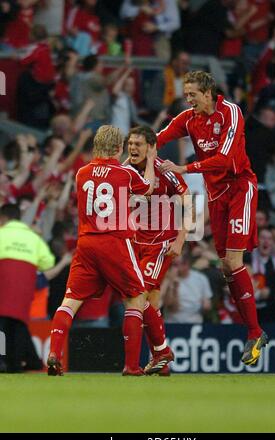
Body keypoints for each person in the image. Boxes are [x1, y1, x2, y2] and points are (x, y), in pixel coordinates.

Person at [158, 70, 268, 366]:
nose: (188, 99)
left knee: (234, 262)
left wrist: (183, 168)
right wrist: (132, 156)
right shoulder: (189, 119)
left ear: (208, 93)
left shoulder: (231, 112)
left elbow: (225, 160)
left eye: (192, 94)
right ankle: (253, 330)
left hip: (239, 188)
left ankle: (255, 333)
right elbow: (160, 138)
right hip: (216, 196)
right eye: (186, 94)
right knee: (225, 267)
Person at [47, 125, 173, 376]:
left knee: (69, 303)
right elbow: (147, 187)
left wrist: (119, 163)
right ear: (119, 148)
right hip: (115, 242)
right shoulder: (124, 175)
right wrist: (149, 159)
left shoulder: (81, 173)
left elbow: (108, 174)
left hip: (86, 244)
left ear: (95, 146)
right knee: (136, 298)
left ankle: (54, 353)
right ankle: (133, 365)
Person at [127, 125, 192, 375]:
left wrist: (180, 240)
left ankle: (162, 352)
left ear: (151, 147)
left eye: (138, 144)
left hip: (161, 243)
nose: (133, 148)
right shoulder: (127, 170)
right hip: (136, 243)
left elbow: (189, 202)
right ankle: (160, 361)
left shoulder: (165, 170)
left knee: (138, 298)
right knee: (150, 303)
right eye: (130, 144)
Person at [0, 203, 55, 372]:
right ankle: (18, 363)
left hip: (3, 280)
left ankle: (5, 361)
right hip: (25, 284)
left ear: (3, 218)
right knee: (18, 323)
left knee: (1, 324)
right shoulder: (33, 238)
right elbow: (48, 262)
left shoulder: (1, 233)